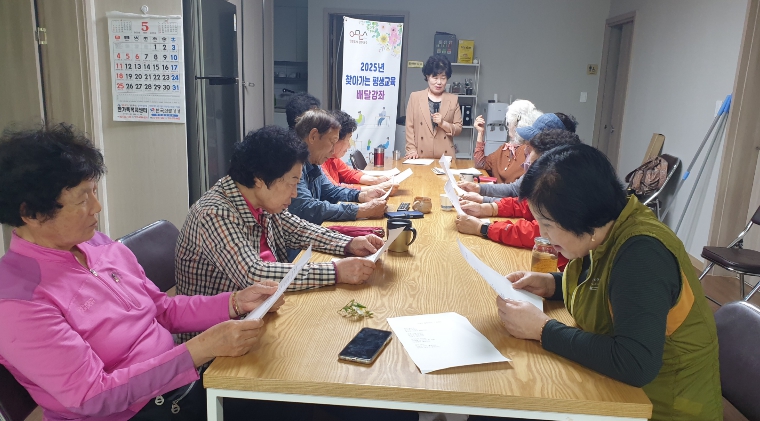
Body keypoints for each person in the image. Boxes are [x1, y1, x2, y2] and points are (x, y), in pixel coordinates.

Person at [0, 124, 283, 421]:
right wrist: (199, 349)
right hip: (134, 412)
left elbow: (162, 310)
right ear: (31, 214)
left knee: (283, 383)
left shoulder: (97, 245)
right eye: (83, 200)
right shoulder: (18, 301)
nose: (97, 207)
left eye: (94, 192)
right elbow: (92, 396)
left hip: (175, 387)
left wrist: (236, 302)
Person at [496, 143, 721, 420]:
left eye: (548, 224)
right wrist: (552, 284)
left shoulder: (642, 254)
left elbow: (635, 363)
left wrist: (543, 329)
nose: (543, 233)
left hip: (661, 408)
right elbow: (607, 287)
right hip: (616, 391)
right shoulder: (604, 230)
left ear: (580, 215)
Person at [176, 125, 384, 345]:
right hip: (217, 343)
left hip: (262, 315)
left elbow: (299, 230)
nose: (294, 194)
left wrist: (350, 243)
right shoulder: (214, 213)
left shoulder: (260, 201)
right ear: (259, 179)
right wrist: (335, 271)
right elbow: (255, 274)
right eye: (292, 183)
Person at [455, 129, 582, 271]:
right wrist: (487, 208)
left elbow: (534, 232)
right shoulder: (554, 188)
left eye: (533, 167)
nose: (527, 172)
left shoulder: (565, 196)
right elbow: (524, 204)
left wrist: (484, 228)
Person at [289, 109, 388, 225]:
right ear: (313, 136)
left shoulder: (313, 162)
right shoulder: (292, 164)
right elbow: (307, 208)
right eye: (332, 142)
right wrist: (361, 210)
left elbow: (330, 191)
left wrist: (361, 195)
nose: (332, 151)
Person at [459, 113, 575, 203]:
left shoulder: (557, 178)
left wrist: (484, 200)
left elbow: (525, 207)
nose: (527, 149)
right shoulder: (540, 166)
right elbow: (515, 189)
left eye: (534, 144)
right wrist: (478, 188)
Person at [404, 54, 463, 159]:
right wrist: (411, 149)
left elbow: (458, 129)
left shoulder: (453, 99)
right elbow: (409, 127)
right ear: (427, 77)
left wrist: (443, 123)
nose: (439, 82)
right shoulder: (415, 97)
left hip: (446, 157)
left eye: (443, 78)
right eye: (435, 78)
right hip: (420, 155)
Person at [321, 110, 395, 191]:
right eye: (348, 139)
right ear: (335, 139)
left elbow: (349, 174)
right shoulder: (319, 161)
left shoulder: (333, 158)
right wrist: (375, 189)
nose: (349, 146)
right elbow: (333, 190)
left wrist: (376, 181)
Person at [472, 99, 543, 184]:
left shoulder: (529, 153)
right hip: (494, 191)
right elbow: (480, 164)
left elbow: (515, 189)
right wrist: (480, 133)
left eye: (508, 123)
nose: (507, 126)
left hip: (501, 192)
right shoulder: (506, 148)